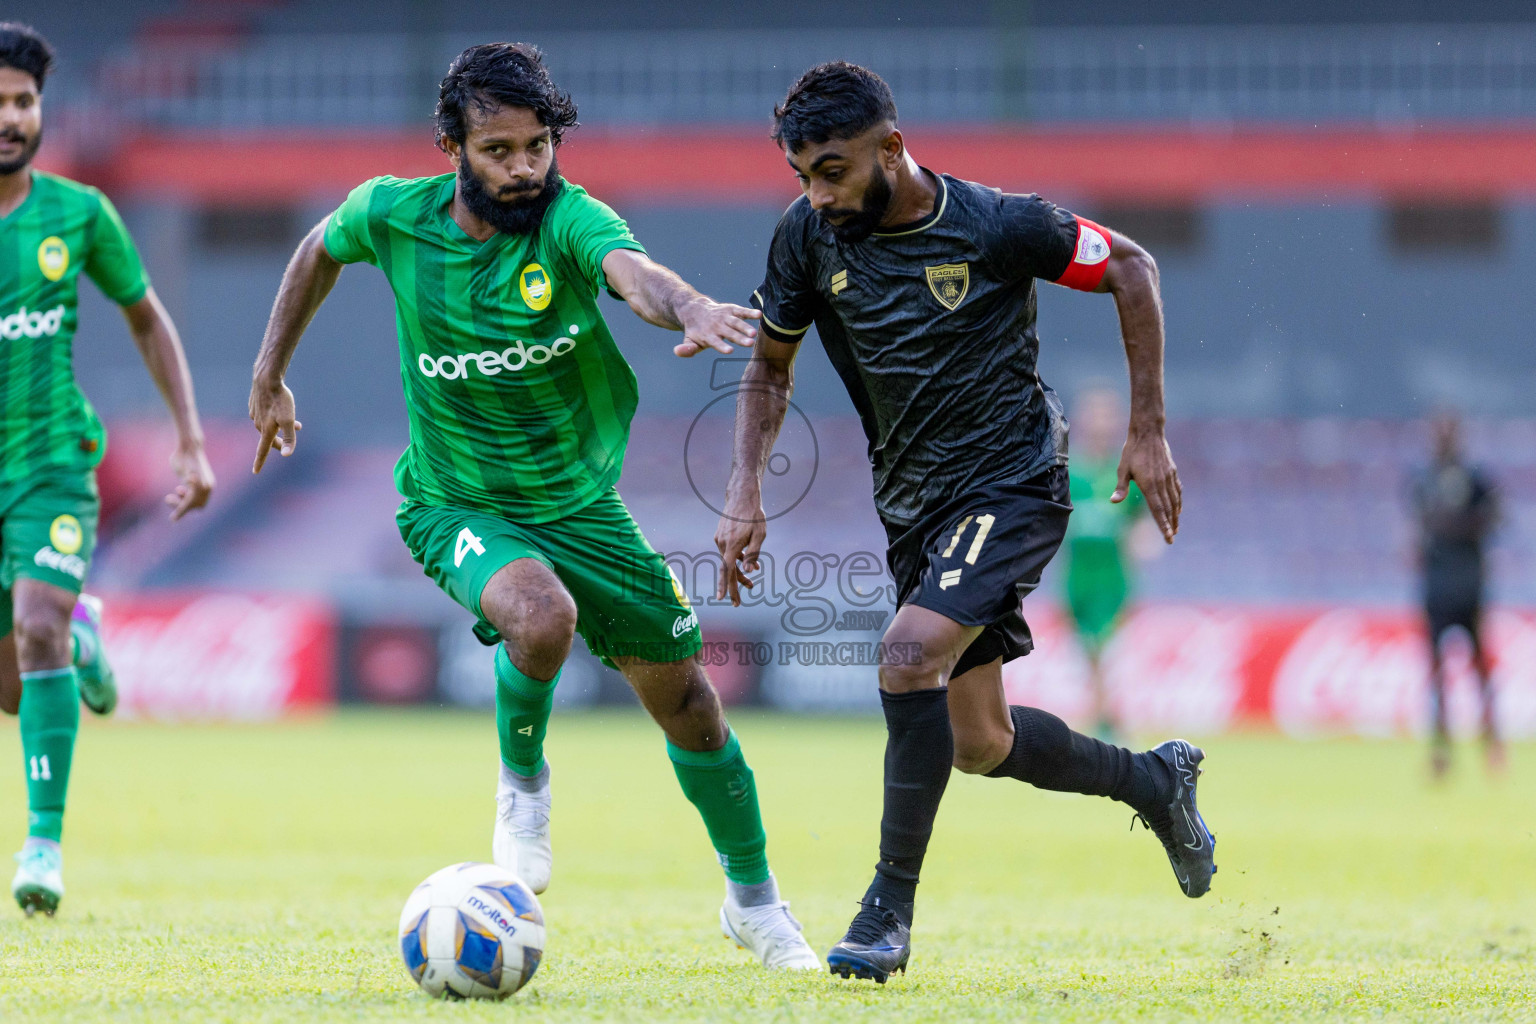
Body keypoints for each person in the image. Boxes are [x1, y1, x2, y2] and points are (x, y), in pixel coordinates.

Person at [248, 42, 818, 970]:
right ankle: (523, 786)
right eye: (500, 150)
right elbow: (317, 250)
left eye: (539, 147)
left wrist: (690, 309)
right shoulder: (393, 215)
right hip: (454, 500)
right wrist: (270, 374)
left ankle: (754, 902)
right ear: (452, 148)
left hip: (582, 509)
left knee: (693, 709)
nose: (524, 169)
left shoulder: (567, 220)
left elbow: (635, 274)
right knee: (539, 616)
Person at [709, 62, 1215, 983]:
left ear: (891, 150)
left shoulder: (997, 223)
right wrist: (744, 490)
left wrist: (1147, 430)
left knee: (906, 654)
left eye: (832, 171)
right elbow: (771, 369)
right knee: (981, 741)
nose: (817, 195)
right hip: (913, 507)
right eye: (802, 177)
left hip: (1013, 482)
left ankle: (884, 914)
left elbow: (1132, 269)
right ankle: (1156, 781)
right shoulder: (805, 241)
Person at [0, 23, 215, 915]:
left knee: (35, 624)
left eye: (22, 101)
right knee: (20, 687)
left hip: (51, 465)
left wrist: (191, 440)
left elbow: (146, 318)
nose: (10, 118)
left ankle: (42, 845)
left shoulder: (79, 214)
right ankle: (84, 634)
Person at [1061, 387, 1159, 742]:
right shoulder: (1068, 474)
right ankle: (1107, 725)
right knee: (1088, 656)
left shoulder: (1127, 474)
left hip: (1113, 581)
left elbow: (1143, 524)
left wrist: (1142, 539)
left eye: (1107, 415)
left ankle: (1104, 728)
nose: (1101, 423)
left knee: (1106, 653)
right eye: (1095, 415)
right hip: (1076, 580)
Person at [1410, 412, 1501, 776]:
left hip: (1469, 587)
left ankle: (1492, 745)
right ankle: (1441, 751)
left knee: (1479, 668)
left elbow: (1495, 517)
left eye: (1448, 432)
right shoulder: (1423, 479)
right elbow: (1417, 530)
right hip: (1436, 590)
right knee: (1436, 672)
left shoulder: (1476, 477)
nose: (1443, 438)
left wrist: (1453, 525)